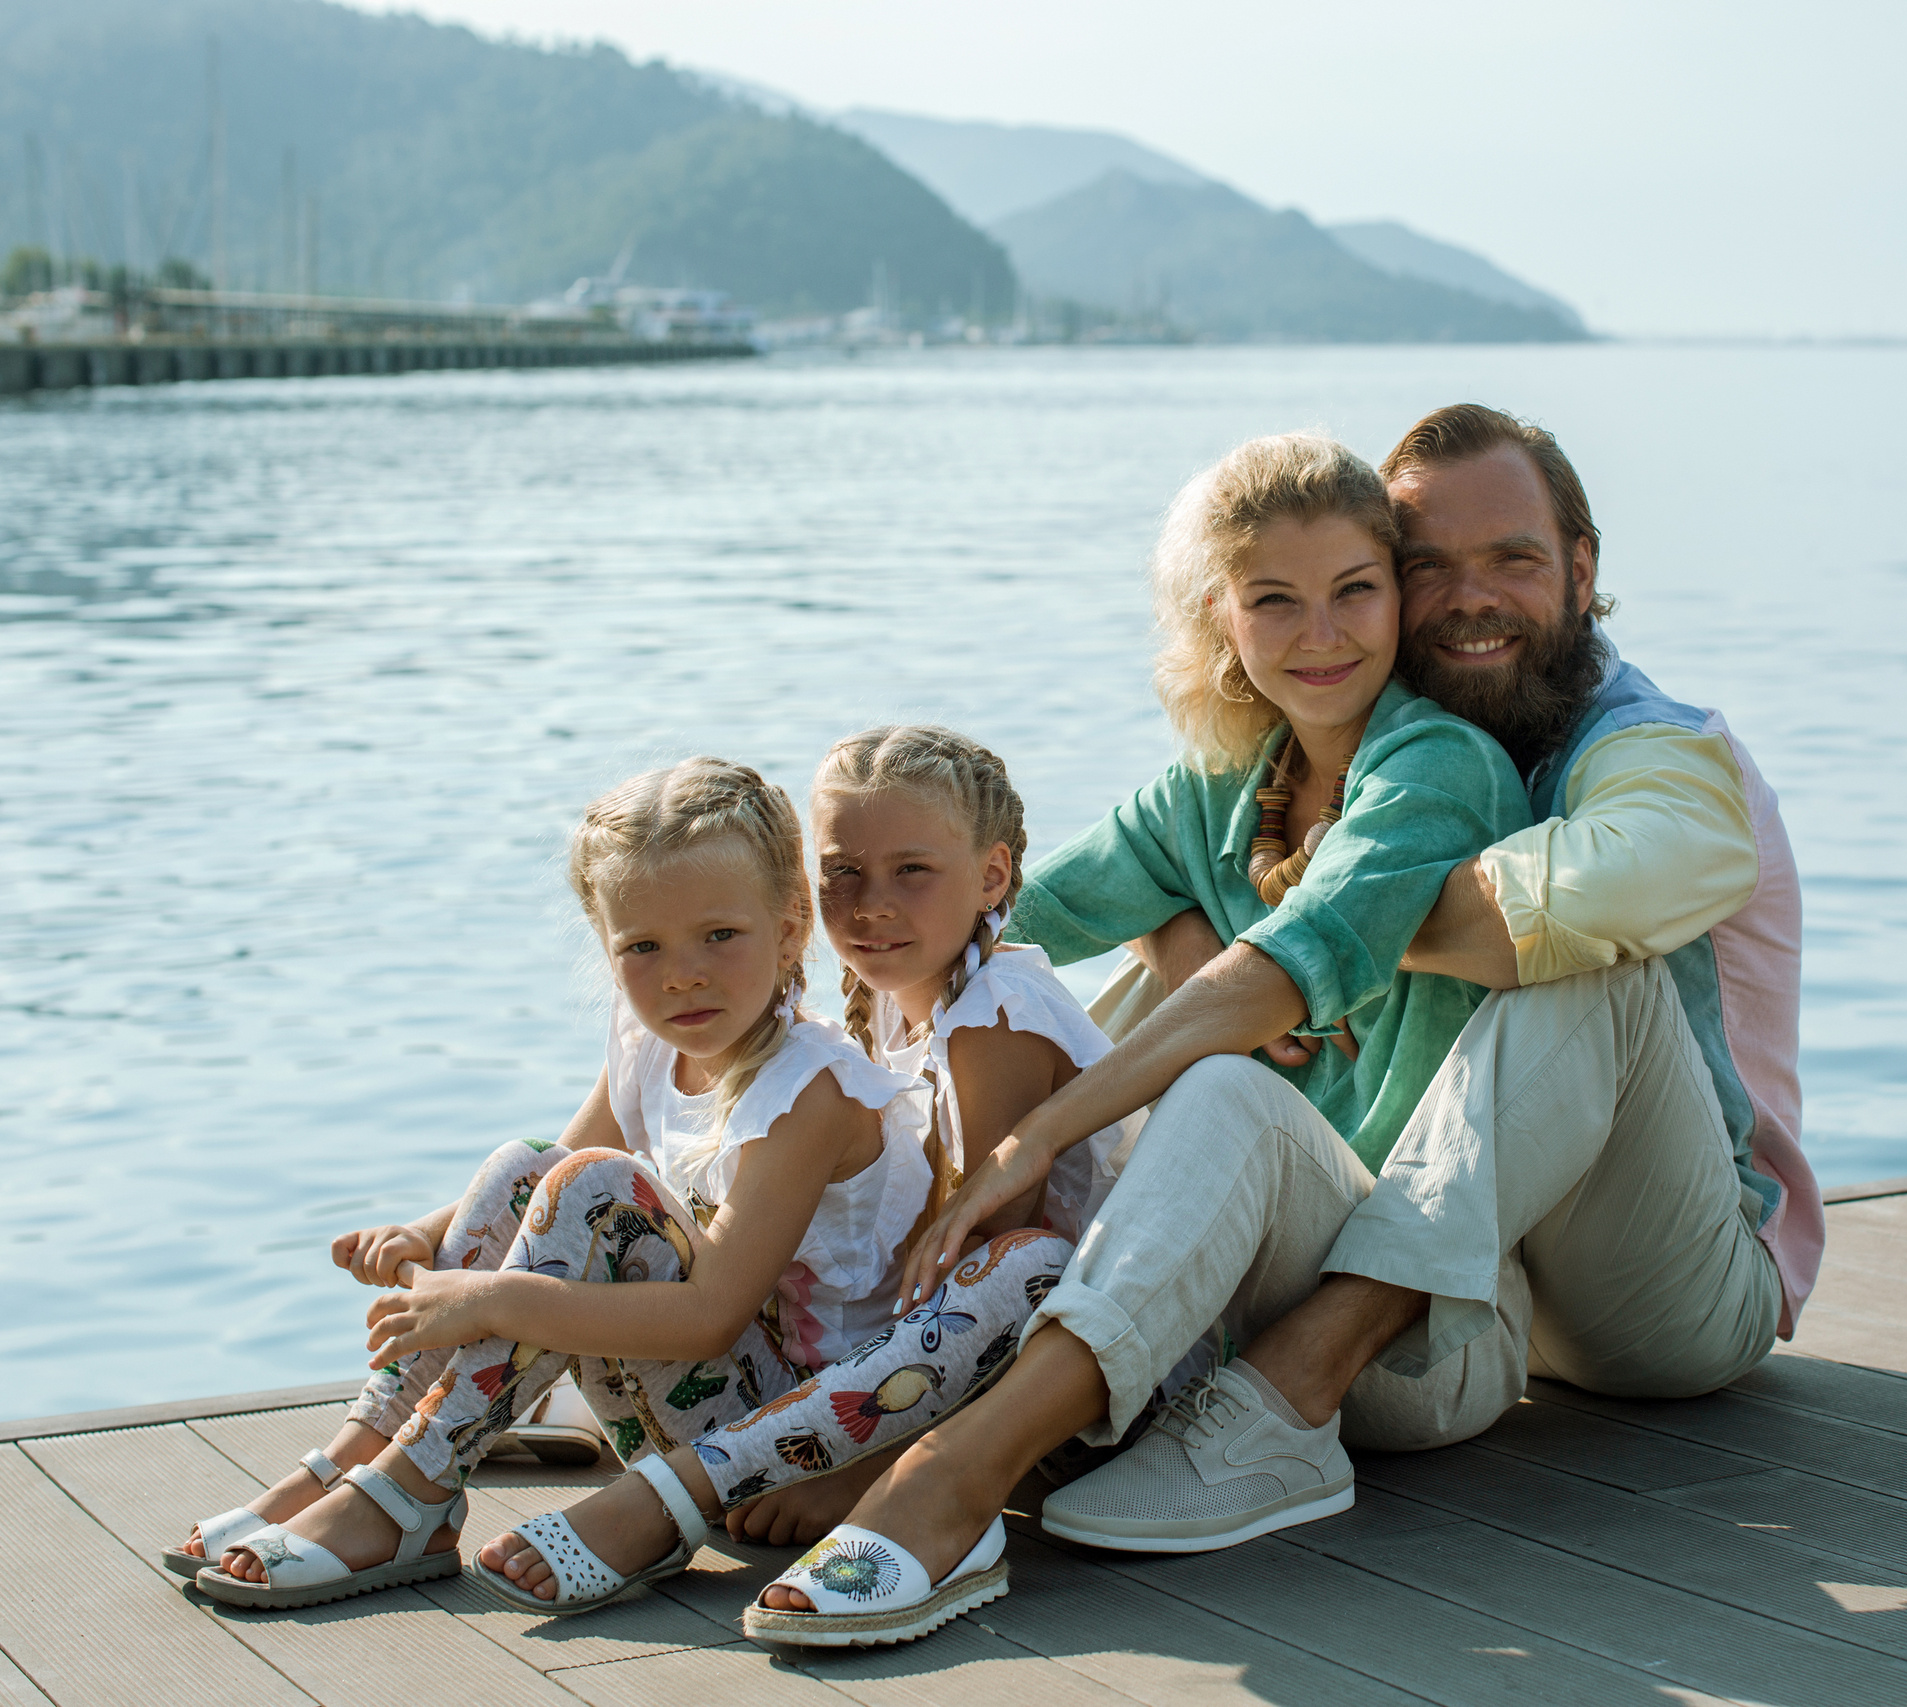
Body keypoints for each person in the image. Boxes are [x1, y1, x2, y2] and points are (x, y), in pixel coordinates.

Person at [736, 431, 1531, 1648]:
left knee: (1209, 1080)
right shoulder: (1219, 788)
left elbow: (1286, 960)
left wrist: (1042, 1131)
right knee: (1032, 994)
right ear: (1222, 615)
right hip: (1206, 1322)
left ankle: (951, 1478)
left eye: (1353, 592)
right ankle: (857, 1345)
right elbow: (986, 917)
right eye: (1274, 600)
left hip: (1402, 1338)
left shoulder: (1441, 767)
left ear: (1399, 597)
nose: (1319, 634)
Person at [1056, 402, 1822, 1539]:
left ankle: (1284, 1397)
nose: (1469, 597)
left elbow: (1608, 890)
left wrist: (1322, 931)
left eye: (1511, 559)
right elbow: (1106, 883)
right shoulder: (1370, 752)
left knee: (1576, 959)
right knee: (1166, 980)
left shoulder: (1655, 747)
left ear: (1579, 567)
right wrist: (1200, 937)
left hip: (1671, 1284)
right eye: (1428, 567)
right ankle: (961, 1292)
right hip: (1482, 1281)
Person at [169, 758, 1002, 1611]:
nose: (682, 974)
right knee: (527, 1163)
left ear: (791, 926)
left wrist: (492, 1298)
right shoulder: (653, 1043)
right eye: (643, 946)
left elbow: (710, 1313)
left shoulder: (810, 1089)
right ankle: (361, 1457)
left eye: (720, 935)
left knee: (598, 1189)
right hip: (694, 1397)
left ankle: (410, 1491)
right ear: (606, 947)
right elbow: (546, 1177)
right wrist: (432, 1231)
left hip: (786, 1446)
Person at [469, 730, 1102, 1609]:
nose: (871, 904)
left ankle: (789, 1476)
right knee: (574, 1182)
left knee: (1023, 1261)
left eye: (911, 871)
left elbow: (967, 1265)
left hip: (1052, 1392)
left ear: (991, 877)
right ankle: (417, 1456)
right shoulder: (886, 999)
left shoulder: (999, 1016)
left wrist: (862, 1462)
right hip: (884, 1369)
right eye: (843, 872)